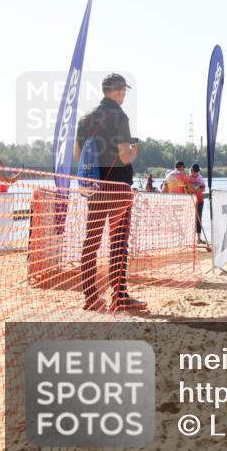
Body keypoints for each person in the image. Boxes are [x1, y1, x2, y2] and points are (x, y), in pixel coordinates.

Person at [73, 73, 145, 313]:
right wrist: (135, 150)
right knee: (118, 242)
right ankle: (119, 296)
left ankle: (91, 298)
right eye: (123, 91)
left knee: (91, 242)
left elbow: (77, 156)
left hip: (93, 188)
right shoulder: (119, 116)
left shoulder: (85, 119)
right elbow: (124, 156)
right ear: (120, 91)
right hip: (118, 188)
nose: (124, 95)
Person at [188, 164, 208, 246]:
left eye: (198, 171)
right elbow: (186, 188)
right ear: (192, 171)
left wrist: (197, 188)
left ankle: (199, 239)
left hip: (200, 201)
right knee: (191, 219)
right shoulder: (188, 178)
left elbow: (203, 189)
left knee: (199, 218)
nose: (197, 173)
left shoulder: (200, 178)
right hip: (191, 201)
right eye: (195, 171)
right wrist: (191, 187)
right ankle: (191, 239)